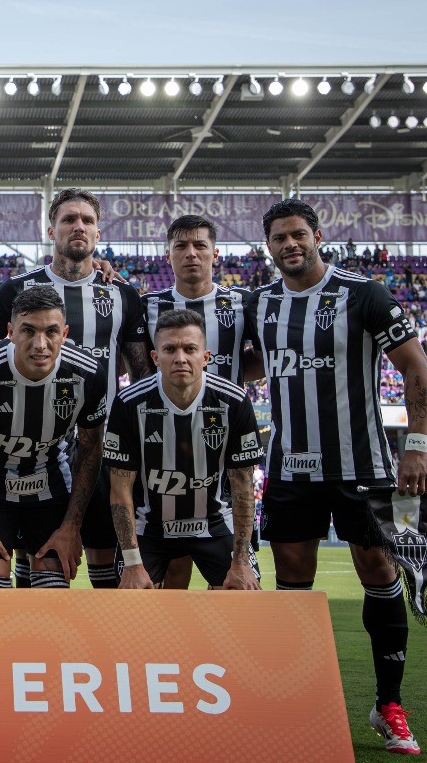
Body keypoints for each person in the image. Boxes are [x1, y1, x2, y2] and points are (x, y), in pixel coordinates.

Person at [244, 198, 427, 756]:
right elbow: (250, 365)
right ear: (269, 246)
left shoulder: (364, 294)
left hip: (366, 464)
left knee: (378, 567)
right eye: (279, 238)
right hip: (289, 468)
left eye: (298, 235)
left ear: (318, 236)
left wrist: (416, 447)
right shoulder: (259, 304)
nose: (289, 245)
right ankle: (297, 701)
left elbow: (415, 367)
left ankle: (389, 704)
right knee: (294, 580)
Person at [0, 188, 148, 589]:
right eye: (68, 219)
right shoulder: (15, 292)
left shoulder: (122, 294)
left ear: (99, 234)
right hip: (23, 452)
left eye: (86, 220)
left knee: (102, 560)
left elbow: (142, 380)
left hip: (101, 448)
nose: (77, 226)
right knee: (33, 554)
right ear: (52, 230)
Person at [0, 286, 110, 588]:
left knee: (52, 592)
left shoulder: (88, 374)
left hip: (51, 487)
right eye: (28, 331)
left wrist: (72, 526)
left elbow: (90, 449)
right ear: (10, 331)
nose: (40, 344)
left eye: (51, 332)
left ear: (64, 333)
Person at [143, 214, 260, 588]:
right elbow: (134, 363)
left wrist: (230, 383)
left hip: (223, 452)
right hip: (160, 454)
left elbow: (267, 358)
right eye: (180, 246)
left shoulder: (245, 303)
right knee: (171, 573)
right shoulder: (144, 305)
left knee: (232, 579)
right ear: (168, 256)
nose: (191, 253)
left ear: (216, 253)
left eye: (200, 246)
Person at [106, 309, 261, 590]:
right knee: (130, 608)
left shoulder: (233, 401)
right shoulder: (129, 403)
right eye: (170, 349)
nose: (180, 358)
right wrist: (132, 563)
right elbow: (120, 489)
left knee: (245, 599)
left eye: (190, 349)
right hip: (148, 528)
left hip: (214, 524)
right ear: (155, 357)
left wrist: (240, 563)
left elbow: (243, 486)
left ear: (205, 357)